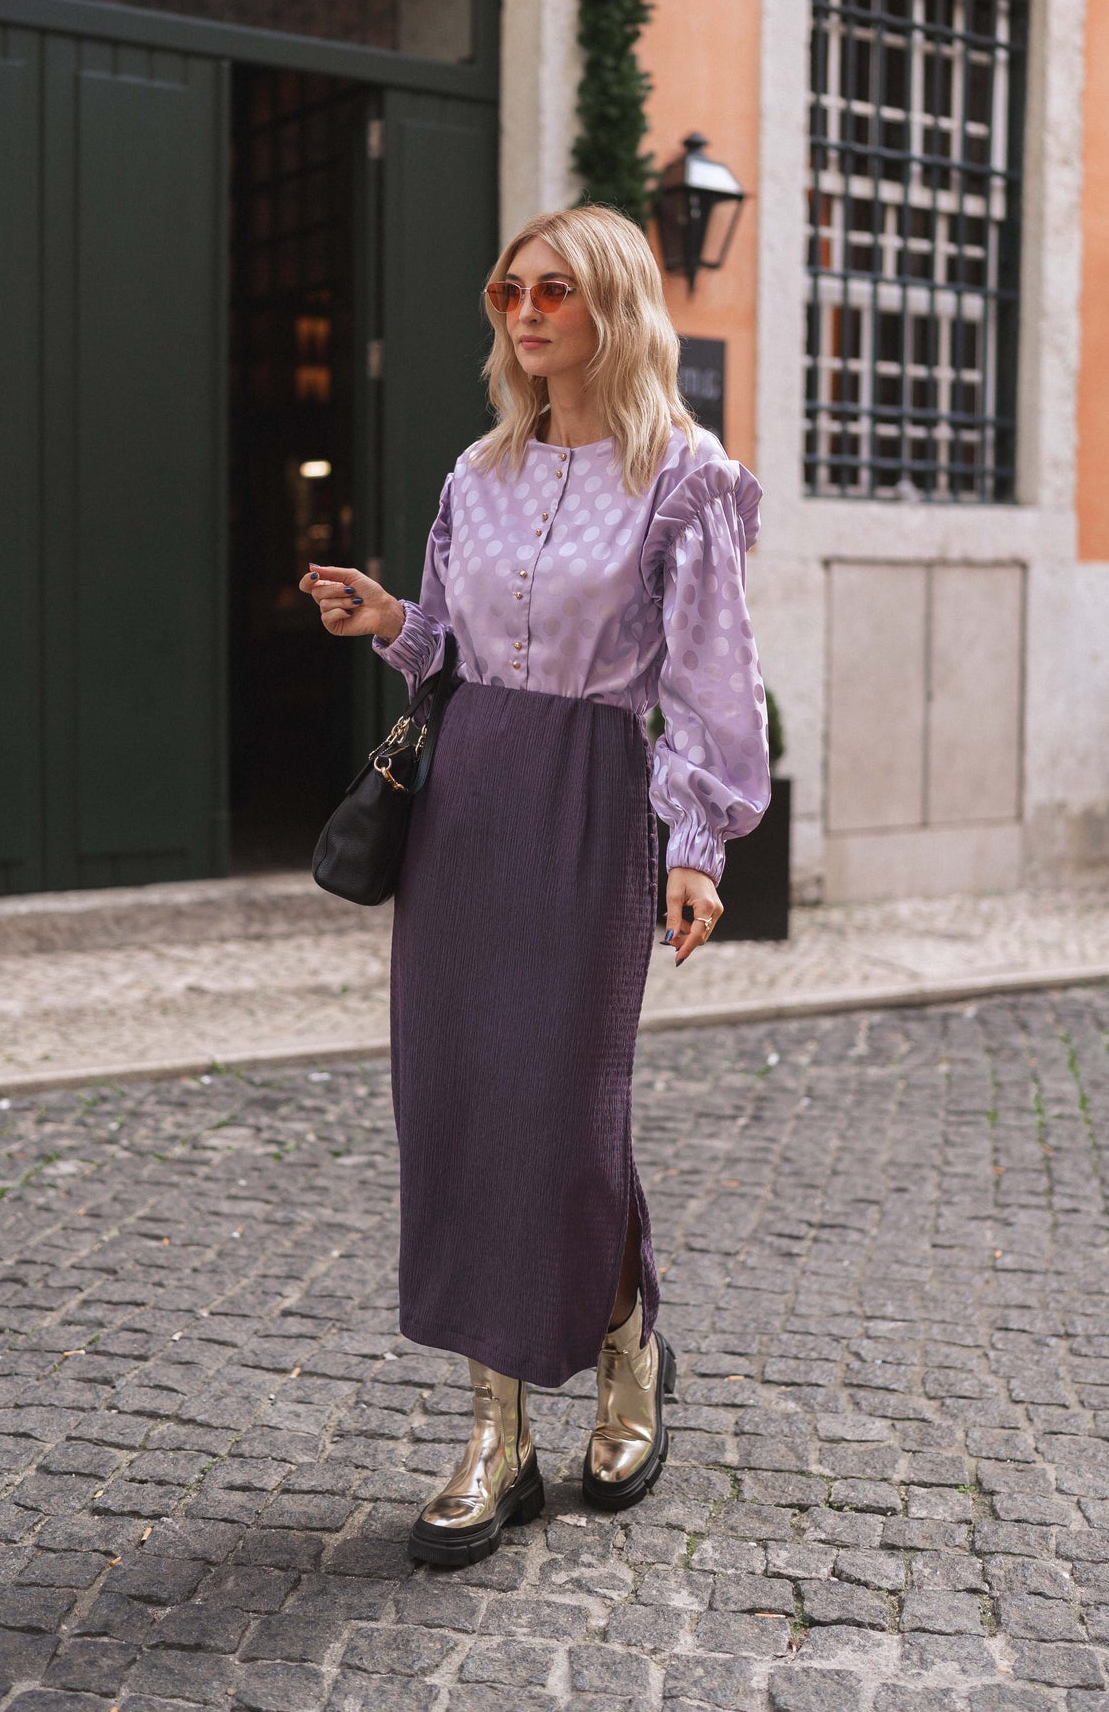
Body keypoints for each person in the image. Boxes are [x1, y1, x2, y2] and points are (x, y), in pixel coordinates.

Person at [300, 204, 769, 1567]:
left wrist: (697, 845)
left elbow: (711, 683)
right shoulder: (480, 468)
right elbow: (450, 646)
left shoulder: (682, 477)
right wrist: (388, 619)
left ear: (611, 305)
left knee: (562, 1105)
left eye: (553, 291)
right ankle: (493, 1436)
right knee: (455, 1099)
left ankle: (624, 1347)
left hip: (593, 805)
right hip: (468, 798)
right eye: (508, 288)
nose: (523, 313)